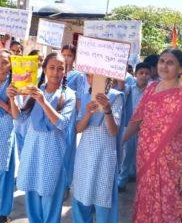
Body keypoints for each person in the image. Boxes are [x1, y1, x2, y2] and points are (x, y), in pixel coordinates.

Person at [123, 49, 182, 223]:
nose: (164, 66)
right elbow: (137, 120)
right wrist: (118, 141)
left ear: (181, 68)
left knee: (168, 203)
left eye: (170, 63)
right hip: (145, 156)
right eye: (162, 61)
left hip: (171, 160)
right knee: (146, 198)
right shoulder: (151, 88)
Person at [7, 52, 76, 222]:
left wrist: (43, 101)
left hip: (53, 153)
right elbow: (20, 117)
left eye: (60, 68)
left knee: (50, 197)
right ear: (44, 69)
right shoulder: (33, 91)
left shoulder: (69, 95)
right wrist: (12, 99)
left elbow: (62, 123)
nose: (56, 72)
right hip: (33, 151)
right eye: (51, 68)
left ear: (65, 72)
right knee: (32, 196)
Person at [72, 74, 123, 223]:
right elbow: (78, 128)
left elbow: (114, 131)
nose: (93, 79)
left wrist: (107, 110)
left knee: (102, 199)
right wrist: (88, 113)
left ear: (109, 79)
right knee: (82, 196)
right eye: (90, 76)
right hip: (85, 156)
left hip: (104, 157)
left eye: (100, 76)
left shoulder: (115, 96)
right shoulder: (84, 96)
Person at [118, 63, 151, 191]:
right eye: (141, 73)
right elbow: (121, 86)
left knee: (141, 154)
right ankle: (122, 180)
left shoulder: (152, 91)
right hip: (130, 126)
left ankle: (135, 175)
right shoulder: (129, 89)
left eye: (147, 73)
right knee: (127, 153)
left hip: (145, 128)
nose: (144, 76)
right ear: (135, 75)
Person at [61, 44, 86, 199]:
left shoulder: (78, 75)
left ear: (74, 57)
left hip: (70, 118)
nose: (66, 58)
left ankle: (66, 185)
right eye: (63, 54)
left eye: (69, 55)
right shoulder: (55, 71)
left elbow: (79, 98)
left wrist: (78, 118)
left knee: (68, 151)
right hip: (55, 116)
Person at [0, 50, 14, 223]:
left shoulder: (14, 84)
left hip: (5, 130)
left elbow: (14, 112)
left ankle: (2, 212)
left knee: (4, 170)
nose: (1, 65)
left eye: (4, 62)